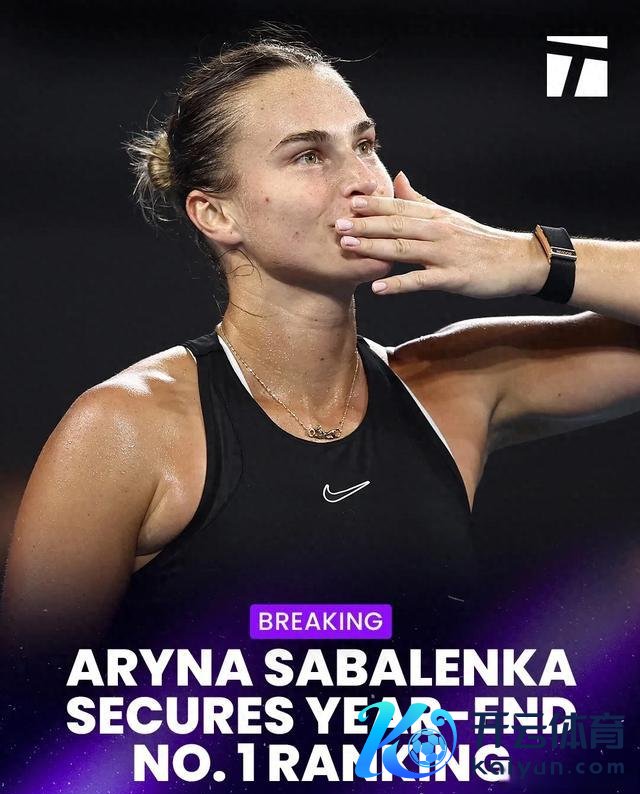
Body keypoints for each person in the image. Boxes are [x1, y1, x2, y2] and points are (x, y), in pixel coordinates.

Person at [2, 30, 640, 657]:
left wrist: (528, 258)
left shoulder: (454, 387)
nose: (363, 180)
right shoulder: (125, 429)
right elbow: (27, 705)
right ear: (216, 214)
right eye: (309, 155)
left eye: (365, 145)